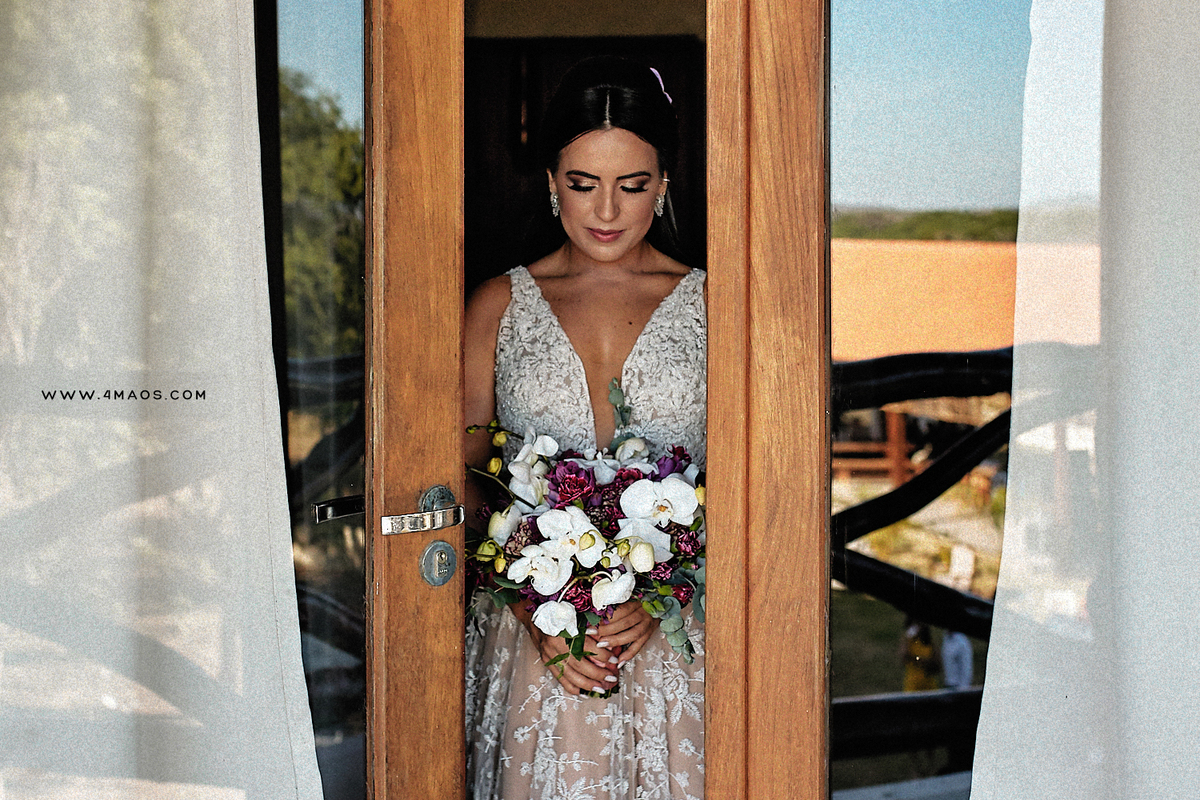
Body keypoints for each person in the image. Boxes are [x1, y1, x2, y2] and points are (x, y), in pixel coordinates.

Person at [462, 56, 706, 800]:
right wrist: (530, 610)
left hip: (677, 647)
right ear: (549, 181)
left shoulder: (717, 307)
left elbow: (755, 483)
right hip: (534, 648)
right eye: (582, 183)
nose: (606, 210)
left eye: (631, 185)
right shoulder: (497, 305)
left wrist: (670, 593)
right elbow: (461, 485)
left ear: (663, 183)